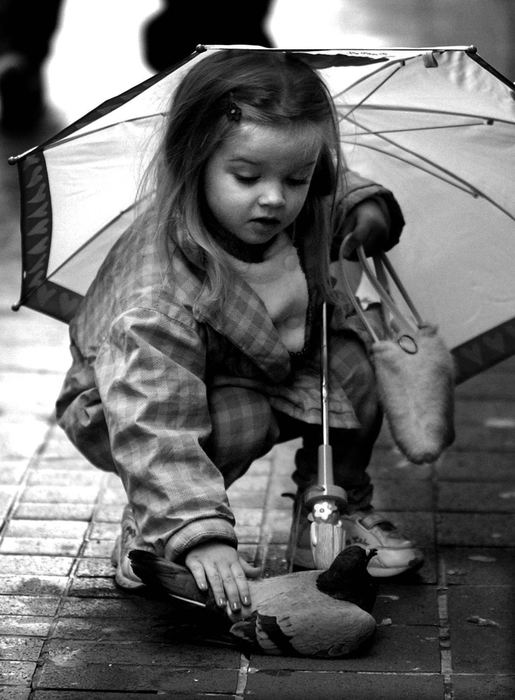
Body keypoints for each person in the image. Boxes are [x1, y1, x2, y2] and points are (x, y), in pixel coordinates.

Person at [55, 50, 423, 615]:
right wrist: (200, 530)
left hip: (252, 361)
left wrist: (363, 209)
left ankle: (328, 507)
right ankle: (159, 524)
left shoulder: (292, 202)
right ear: (194, 162)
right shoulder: (160, 296)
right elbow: (155, 420)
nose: (275, 197)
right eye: (247, 176)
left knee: (355, 354)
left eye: (297, 177)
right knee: (238, 418)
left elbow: (333, 185)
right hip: (128, 403)